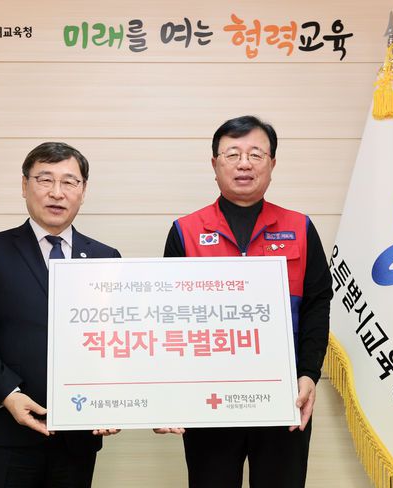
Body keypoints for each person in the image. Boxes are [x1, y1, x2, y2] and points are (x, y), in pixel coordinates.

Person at [161, 116, 333, 487]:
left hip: (283, 394)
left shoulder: (300, 228)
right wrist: (171, 394)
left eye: (256, 154)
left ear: (272, 163)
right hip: (208, 398)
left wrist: (308, 374)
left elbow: (318, 305)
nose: (244, 164)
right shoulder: (185, 231)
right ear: (214, 164)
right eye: (233, 154)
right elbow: (169, 318)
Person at [0, 142, 121, 488]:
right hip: (7, 428)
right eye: (45, 179)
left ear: (83, 191)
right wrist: (8, 393)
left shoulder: (106, 257)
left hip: (80, 430)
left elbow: (116, 338)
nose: (57, 192)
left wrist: (111, 402)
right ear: (24, 185)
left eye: (69, 182)